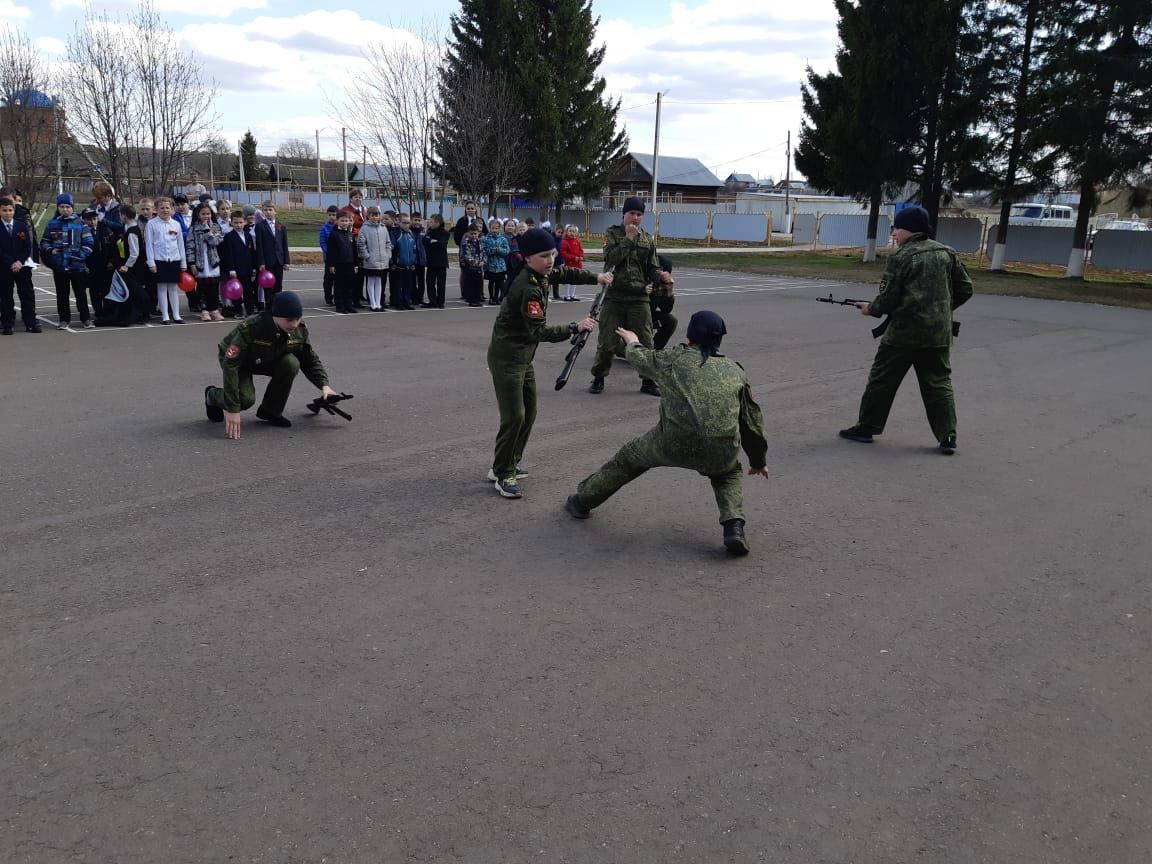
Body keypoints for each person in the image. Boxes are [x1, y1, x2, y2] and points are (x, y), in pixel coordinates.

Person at [564, 311, 769, 555]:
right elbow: (751, 421)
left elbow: (641, 359)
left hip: (671, 443)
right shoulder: (735, 371)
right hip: (720, 448)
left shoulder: (674, 359)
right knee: (728, 474)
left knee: (628, 459)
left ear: (690, 335)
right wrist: (758, 461)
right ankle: (734, 528)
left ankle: (582, 501)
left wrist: (632, 340)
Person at [838, 206, 973, 455]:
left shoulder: (902, 256)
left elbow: (888, 297)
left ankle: (866, 427)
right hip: (938, 333)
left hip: (903, 334)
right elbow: (965, 288)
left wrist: (871, 309)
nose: (894, 234)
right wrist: (941, 309)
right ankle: (948, 436)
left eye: (896, 229)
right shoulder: (947, 253)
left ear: (907, 229)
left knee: (882, 381)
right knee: (939, 383)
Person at [486, 227, 609, 499]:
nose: (551, 260)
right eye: (544, 256)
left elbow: (566, 272)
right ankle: (502, 472)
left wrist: (597, 277)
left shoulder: (541, 273)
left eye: (552, 253)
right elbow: (538, 332)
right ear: (527, 258)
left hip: (522, 356)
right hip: (508, 358)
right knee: (514, 416)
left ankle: (509, 463)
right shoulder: (527, 287)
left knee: (529, 412)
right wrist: (574, 327)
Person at [204, 291, 339, 440]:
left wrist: (325, 386)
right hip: (240, 361)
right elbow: (231, 366)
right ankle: (212, 395)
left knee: (291, 363)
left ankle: (270, 411)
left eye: (297, 318)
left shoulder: (299, 330)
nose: (294, 324)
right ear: (275, 314)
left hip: (266, 358)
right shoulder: (252, 327)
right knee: (245, 400)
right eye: (289, 319)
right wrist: (233, 409)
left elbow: (309, 359)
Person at [589, 197, 673, 397]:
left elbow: (652, 266)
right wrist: (627, 239)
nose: (635, 218)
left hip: (639, 297)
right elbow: (610, 259)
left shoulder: (647, 238)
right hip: (614, 296)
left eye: (639, 214)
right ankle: (599, 377)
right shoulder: (612, 233)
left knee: (645, 341)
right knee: (607, 341)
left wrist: (661, 275)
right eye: (631, 213)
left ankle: (648, 381)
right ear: (624, 214)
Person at [40, 193, 95, 329]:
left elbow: (88, 244)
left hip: (78, 266)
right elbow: (45, 242)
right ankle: (64, 319)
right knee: (62, 294)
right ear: (58, 208)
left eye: (68, 207)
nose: (65, 209)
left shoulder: (81, 223)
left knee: (80, 293)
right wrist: (51, 251)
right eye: (62, 207)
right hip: (60, 266)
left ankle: (85, 318)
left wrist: (80, 256)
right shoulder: (52, 224)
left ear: (72, 207)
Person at [0, 188, 42, 333]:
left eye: (10, 210)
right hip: (5, 267)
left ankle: (30, 321)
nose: (8, 213)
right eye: (4, 210)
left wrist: (19, 261)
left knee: (27, 294)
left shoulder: (21, 225)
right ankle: (7, 323)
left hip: (22, 265)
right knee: (5, 296)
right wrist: (10, 262)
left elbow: (27, 246)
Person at [145, 197, 188, 324]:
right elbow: (149, 244)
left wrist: (183, 262)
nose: (165, 210)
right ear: (156, 209)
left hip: (174, 259)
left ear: (172, 209)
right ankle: (165, 316)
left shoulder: (176, 224)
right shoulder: (151, 224)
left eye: (167, 207)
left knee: (174, 288)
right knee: (162, 288)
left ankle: (176, 315)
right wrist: (151, 262)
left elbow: (180, 244)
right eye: (162, 208)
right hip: (159, 260)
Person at [185, 202, 226, 321]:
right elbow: (190, 247)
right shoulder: (193, 228)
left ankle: (214, 309)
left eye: (208, 213)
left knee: (214, 287)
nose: (206, 216)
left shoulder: (215, 227)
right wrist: (192, 264)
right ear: (198, 215)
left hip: (212, 262)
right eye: (203, 214)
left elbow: (215, 242)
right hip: (200, 262)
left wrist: (208, 232)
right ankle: (204, 310)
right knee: (202, 287)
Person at [218, 211, 256, 317]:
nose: (238, 225)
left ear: (244, 222)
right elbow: (228, 255)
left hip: (247, 268)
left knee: (248, 291)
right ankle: (238, 310)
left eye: (240, 222)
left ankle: (250, 311)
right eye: (236, 223)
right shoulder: (229, 237)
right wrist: (231, 269)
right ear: (232, 223)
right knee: (236, 291)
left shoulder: (249, 235)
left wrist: (253, 268)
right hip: (236, 269)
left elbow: (252, 252)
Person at [356, 207, 391, 312]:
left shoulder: (383, 227)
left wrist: (388, 254)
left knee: (379, 281)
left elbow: (388, 243)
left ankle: (378, 303)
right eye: (372, 215)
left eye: (377, 215)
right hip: (371, 260)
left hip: (382, 260)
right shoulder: (365, 228)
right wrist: (367, 256)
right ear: (368, 216)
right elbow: (361, 244)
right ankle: (373, 303)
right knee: (371, 281)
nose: (375, 217)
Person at [254, 201, 290, 300]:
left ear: (275, 211)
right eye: (265, 210)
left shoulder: (281, 226)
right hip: (267, 261)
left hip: (279, 261)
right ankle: (269, 308)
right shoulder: (260, 226)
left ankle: (278, 307)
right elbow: (259, 246)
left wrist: (286, 261)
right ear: (263, 212)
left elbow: (284, 244)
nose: (268, 212)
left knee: (278, 285)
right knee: (268, 286)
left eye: (270, 210)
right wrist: (261, 262)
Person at [327, 210, 359, 313]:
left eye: (347, 221)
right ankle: (340, 306)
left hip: (349, 264)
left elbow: (354, 250)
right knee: (339, 286)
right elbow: (330, 251)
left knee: (349, 286)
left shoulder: (350, 234)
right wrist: (331, 265)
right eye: (342, 221)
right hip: (338, 264)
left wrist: (356, 264)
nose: (345, 223)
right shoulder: (334, 234)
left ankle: (348, 304)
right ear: (337, 221)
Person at [389, 212, 419, 310]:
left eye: (408, 223)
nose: (407, 225)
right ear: (399, 223)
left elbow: (414, 249)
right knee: (398, 286)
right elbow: (392, 249)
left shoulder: (410, 234)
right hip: (398, 265)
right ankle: (398, 302)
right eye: (404, 223)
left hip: (409, 265)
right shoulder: (395, 234)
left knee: (408, 285)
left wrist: (413, 262)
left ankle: (406, 302)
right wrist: (393, 262)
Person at [422, 213, 449, 308]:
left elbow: (441, 245)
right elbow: (424, 241)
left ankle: (440, 301)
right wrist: (431, 241)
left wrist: (432, 242)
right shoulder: (429, 232)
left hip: (441, 262)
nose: (430, 223)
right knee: (430, 282)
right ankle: (432, 301)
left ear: (437, 223)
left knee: (441, 283)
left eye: (431, 222)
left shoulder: (445, 233)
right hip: (431, 262)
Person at [650, 255, 678, 349]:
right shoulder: (643, 279)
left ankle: (655, 349)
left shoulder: (662, 286)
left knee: (670, 321)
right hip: (631, 314)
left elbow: (666, 310)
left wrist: (669, 292)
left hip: (648, 315)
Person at [482, 217, 510, 305]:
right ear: (490, 228)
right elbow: (483, 250)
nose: (494, 230)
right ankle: (491, 297)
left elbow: (507, 250)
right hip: (490, 265)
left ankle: (497, 298)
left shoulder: (503, 239)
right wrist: (491, 251)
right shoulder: (486, 239)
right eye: (493, 228)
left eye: (496, 228)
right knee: (491, 282)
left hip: (500, 265)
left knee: (498, 282)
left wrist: (499, 250)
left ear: (499, 229)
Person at [458, 220, 486, 307]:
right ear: (468, 233)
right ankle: (472, 299)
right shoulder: (466, 243)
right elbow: (467, 256)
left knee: (479, 283)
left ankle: (477, 298)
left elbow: (483, 253)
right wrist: (476, 263)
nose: (474, 235)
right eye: (472, 233)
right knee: (470, 284)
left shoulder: (480, 242)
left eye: (475, 233)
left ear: (478, 233)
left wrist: (483, 261)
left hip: (479, 267)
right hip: (470, 267)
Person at [318, 205, 339, 305]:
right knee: (328, 279)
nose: (332, 216)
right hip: (329, 258)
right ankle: (328, 297)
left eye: (334, 215)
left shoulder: (339, 227)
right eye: (330, 214)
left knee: (338, 279)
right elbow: (322, 242)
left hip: (340, 258)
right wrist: (329, 254)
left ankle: (337, 296)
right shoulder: (324, 228)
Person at [559, 225, 585, 301]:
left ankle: (572, 295)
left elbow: (581, 250)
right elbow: (564, 253)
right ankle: (567, 295)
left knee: (575, 280)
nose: (572, 233)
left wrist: (581, 256)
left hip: (577, 264)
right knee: (569, 280)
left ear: (576, 233)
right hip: (569, 264)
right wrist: (574, 258)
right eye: (570, 231)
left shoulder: (577, 241)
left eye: (573, 231)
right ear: (567, 232)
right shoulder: (565, 241)